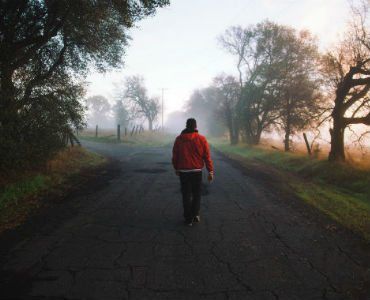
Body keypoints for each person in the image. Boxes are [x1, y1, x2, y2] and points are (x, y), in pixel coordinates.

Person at [172, 118, 214, 226]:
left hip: (183, 171)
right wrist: (210, 171)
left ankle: (188, 219)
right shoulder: (201, 139)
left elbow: (175, 156)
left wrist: (176, 168)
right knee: (196, 194)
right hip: (196, 171)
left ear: (186, 126)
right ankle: (195, 214)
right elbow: (207, 156)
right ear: (195, 126)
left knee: (186, 194)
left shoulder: (179, 139)